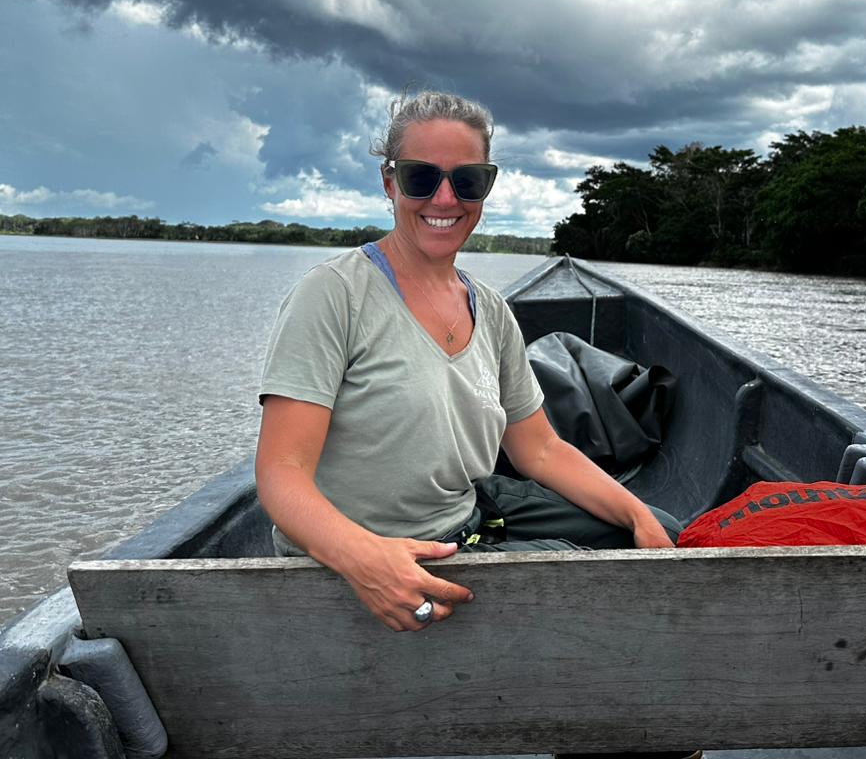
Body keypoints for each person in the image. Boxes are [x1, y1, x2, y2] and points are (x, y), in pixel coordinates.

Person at [254, 90, 681, 634]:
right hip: (363, 547)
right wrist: (365, 559)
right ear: (389, 183)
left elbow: (541, 448)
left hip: (465, 516)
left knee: (661, 530)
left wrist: (637, 513)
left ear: (486, 187)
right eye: (420, 178)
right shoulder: (334, 295)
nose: (444, 198)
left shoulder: (492, 310)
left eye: (467, 180)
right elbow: (280, 473)